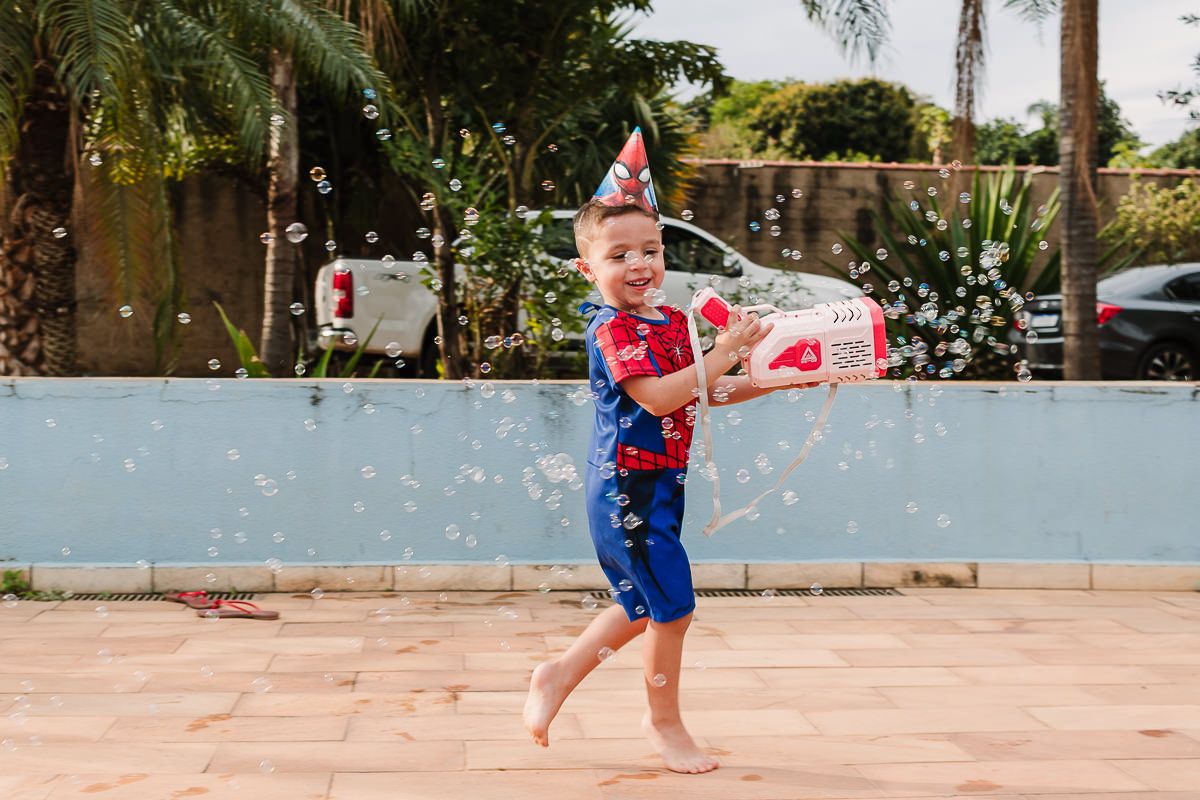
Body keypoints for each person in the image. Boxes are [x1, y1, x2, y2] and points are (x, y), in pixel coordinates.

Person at [523, 130, 807, 774]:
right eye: (619, 254)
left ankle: (557, 675)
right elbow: (657, 397)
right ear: (587, 269)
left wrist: (783, 375)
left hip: (659, 483)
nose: (640, 264)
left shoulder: (669, 324)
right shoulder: (610, 327)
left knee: (644, 601)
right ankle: (664, 723)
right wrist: (725, 350)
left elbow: (706, 392)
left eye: (649, 249)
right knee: (672, 607)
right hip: (626, 486)